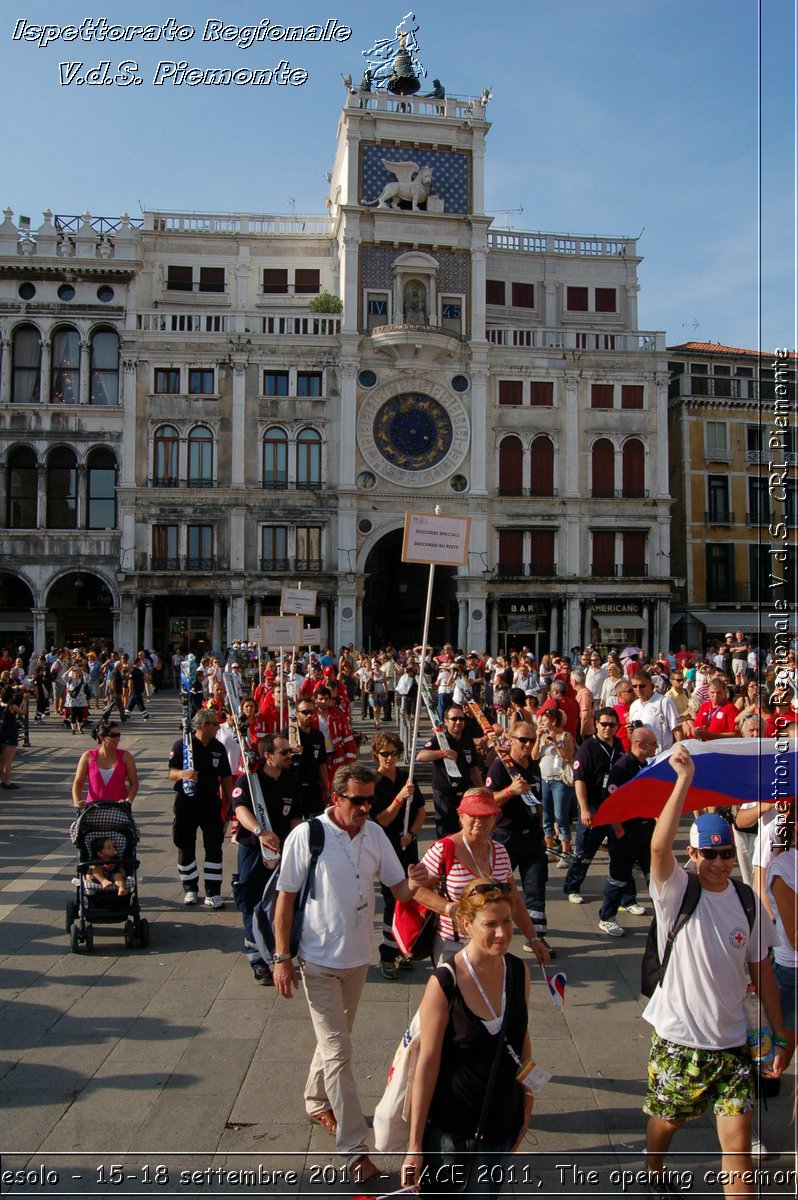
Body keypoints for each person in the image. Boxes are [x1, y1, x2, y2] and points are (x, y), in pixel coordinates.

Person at [271, 763, 432, 1184]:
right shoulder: (308, 836)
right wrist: (281, 957)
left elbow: (398, 889)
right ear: (335, 798)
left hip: (358, 960)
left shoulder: (376, 835)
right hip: (317, 960)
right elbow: (285, 899)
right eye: (356, 800)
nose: (365, 807)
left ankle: (314, 1099)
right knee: (340, 1052)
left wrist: (417, 881)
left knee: (335, 1037)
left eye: (369, 800)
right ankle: (354, 1149)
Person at [642, 747, 789, 1200]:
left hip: (733, 1045)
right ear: (693, 853)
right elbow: (657, 847)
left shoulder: (746, 900)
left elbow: (761, 967)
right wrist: (683, 781)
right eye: (711, 853)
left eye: (726, 853)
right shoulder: (676, 892)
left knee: (738, 1145)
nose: (721, 862)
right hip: (679, 1040)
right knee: (668, 1121)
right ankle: (654, 1172)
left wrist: (780, 1034)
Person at [401, 878, 534, 1198]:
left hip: (502, 1121)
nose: (502, 933)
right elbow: (427, 1064)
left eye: (506, 921)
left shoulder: (518, 972)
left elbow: (521, 1041)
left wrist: (527, 1106)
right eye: (490, 924)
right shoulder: (445, 982)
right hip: (452, 1130)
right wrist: (414, 1147)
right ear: (465, 923)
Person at [415, 789, 549, 965]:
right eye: (472, 815)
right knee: (455, 992)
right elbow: (416, 890)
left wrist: (533, 939)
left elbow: (514, 898)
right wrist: (449, 908)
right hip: (453, 945)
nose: (479, 821)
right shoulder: (443, 850)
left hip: (493, 945)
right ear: (461, 816)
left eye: (485, 815)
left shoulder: (500, 851)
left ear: (495, 817)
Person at [232, 733, 301, 985]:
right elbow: (240, 809)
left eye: (289, 752)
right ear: (268, 756)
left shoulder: (291, 781)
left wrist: (294, 845)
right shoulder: (249, 781)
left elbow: (295, 816)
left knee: (282, 900)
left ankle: (279, 950)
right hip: (253, 850)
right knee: (251, 902)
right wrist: (260, 832)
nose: (289, 756)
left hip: (282, 852)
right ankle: (257, 958)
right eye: (284, 752)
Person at [484, 722, 552, 954]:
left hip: (532, 836)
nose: (527, 744)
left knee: (536, 886)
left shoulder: (534, 767)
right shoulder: (500, 767)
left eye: (532, 740)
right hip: (505, 836)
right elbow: (487, 801)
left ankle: (537, 938)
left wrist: (543, 831)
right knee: (497, 888)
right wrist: (509, 792)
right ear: (510, 740)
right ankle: (488, 931)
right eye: (523, 740)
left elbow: (539, 801)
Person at [370, 730, 427, 978]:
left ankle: (405, 947)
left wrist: (412, 833)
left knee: (411, 898)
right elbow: (382, 819)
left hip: (407, 846)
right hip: (387, 849)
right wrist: (399, 798)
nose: (390, 758)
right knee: (392, 900)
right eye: (385, 754)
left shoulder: (407, 777)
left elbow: (422, 811)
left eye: (394, 753)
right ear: (376, 755)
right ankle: (388, 953)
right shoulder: (374, 783)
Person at [167, 708, 233, 908]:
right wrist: (183, 774)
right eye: (214, 724)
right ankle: (190, 888)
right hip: (186, 803)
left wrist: (229, 805)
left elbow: (226, 778)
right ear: (204, 725)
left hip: (210, 804)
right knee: (185, 844)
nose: (217, 727)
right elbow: (171, 773)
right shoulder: (182, 745)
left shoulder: (218, 747)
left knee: (214, 846)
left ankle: (213, 892)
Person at [562, 707, 625, 909]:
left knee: (620, 852)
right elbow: (579, 779)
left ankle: (624, 897)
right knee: (585, 850)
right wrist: (584, 809)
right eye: (604, 724)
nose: (607, 728)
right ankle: (572, 887)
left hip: (614, 807)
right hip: (593, 805)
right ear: (596, 724)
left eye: (612, 725)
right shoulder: (588, 747)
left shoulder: (620, 745)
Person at [417, 705, 483, 837]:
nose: (458, 722)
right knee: (446, 835)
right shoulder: (440, 739)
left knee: (465, 833)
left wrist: (482, 788)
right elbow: (421, 756)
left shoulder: (467, 739)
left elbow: (473, 767)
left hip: (464, 793)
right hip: (445, 795)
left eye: (461, 719)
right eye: (454, 719)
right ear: (446, 721)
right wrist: (443, 753)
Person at [532, 707, 576, 865]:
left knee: (561, 815)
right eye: (541, 720)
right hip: (544, 779)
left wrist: (556, 743)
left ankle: (566, 851)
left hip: (560, 781)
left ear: (553, 721)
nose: (542, 723)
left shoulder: (565, 736)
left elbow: (568, 757)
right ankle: (549, 849)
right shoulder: (542, 736)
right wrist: (538, 739)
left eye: (544, 720)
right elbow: (534, 756)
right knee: (546, 816)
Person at [72, 720, 139, 810]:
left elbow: (134, 783)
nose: (117, 738)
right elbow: (78, 783)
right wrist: (77, 802)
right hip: (92, 809)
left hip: (119, 808)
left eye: (119, 735)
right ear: (102, 737)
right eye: (113, 735)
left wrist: (128, 801)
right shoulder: (88, 756)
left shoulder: (125, 756)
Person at [284, 699, 329, 818]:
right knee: (294, 826)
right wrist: (288, 748)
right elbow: (276, 758)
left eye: (311, 712)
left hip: (312, 787)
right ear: (297, 713)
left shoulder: (318, 735)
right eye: (305, 712)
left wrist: (326, 789)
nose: (309, 715)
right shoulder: (288, 734)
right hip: (293, 787)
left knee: (316, 825)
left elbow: (322, 763)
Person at [628, 671, 683, 754]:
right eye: (634, 686)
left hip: (662, 756)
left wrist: (679, 753)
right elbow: (632, 738)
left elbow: (678, 731)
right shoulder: (634, 706)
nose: (638, 689)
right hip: (642, 758)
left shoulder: (664, 701)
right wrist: (630, 732)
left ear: (650, 684)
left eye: (642, 686)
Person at [0, 684, 23, 789]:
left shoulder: (1, 703)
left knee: (2, 758)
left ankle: (2, 779)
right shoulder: (11, 706)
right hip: (11, 733)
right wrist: (26, 700)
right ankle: (7, 781)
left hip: (2, 732)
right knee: (8, 760)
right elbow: (23, 712)